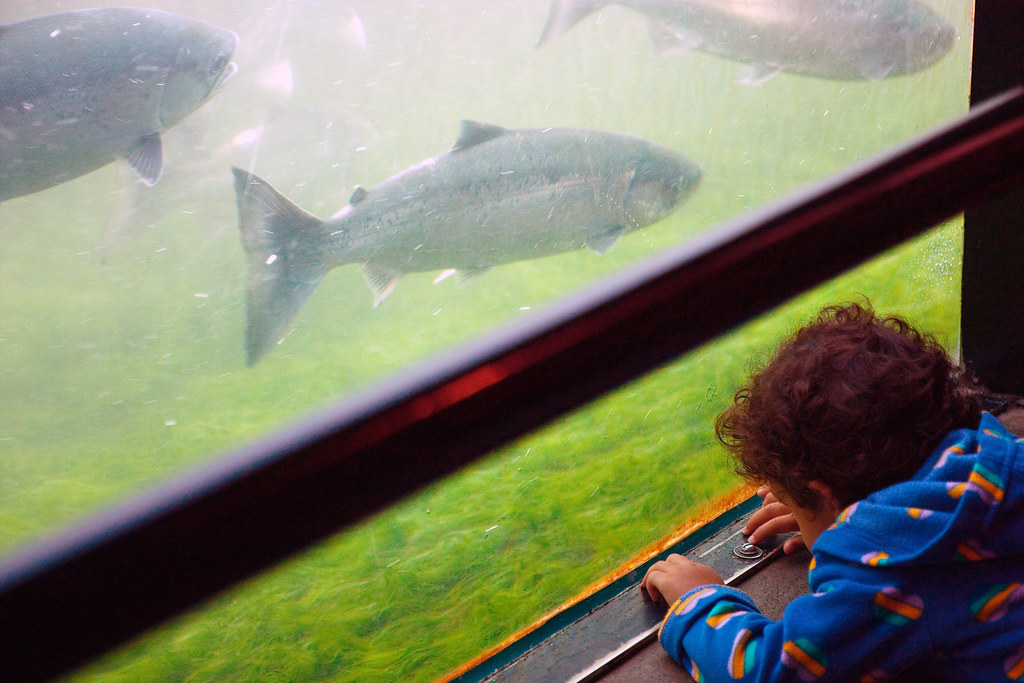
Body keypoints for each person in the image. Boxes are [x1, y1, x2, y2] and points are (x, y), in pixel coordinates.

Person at [641, 301, 1024, 682]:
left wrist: (699, 599)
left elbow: (770, 672)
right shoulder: (1002, 460)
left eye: (795, 502)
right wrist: (835, 520)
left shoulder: (894, 576)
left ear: (826, 496)